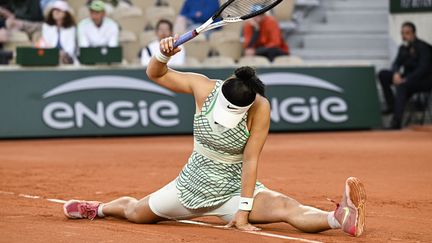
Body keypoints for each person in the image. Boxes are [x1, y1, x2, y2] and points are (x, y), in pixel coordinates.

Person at [62, 35, 367, 237]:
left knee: (288, 208)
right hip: (189, 188)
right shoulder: (203, 87)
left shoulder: (260, 108)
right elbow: (155, 74)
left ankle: (339, 218)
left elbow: (250, 159)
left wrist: (243, 213)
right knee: (135, 212)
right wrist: (162, 54)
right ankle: (98, 208)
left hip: (233, 191)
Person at [378, 22, 432, 129]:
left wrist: (406, 79)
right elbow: (396, 63)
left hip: (423, 80)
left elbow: (423, 68)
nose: (404, 36)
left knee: (402, 86)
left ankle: (396, 123)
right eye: (402, 33)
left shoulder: (423, 47)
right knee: (383, 74)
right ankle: (392, 105)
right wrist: (396, 74)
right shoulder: (403, 48)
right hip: (407, 78)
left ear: (413, 33)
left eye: (407, 33)